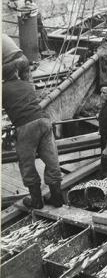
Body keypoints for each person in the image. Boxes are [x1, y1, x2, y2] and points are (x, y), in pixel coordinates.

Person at [2, 68, 63, 209]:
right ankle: (57, 199)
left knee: (26, 163)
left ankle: (36, 202)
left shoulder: (3, 89)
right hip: (44, 121)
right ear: (15, 73)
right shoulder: (26, 84)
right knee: (51, 159)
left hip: (26, 125)